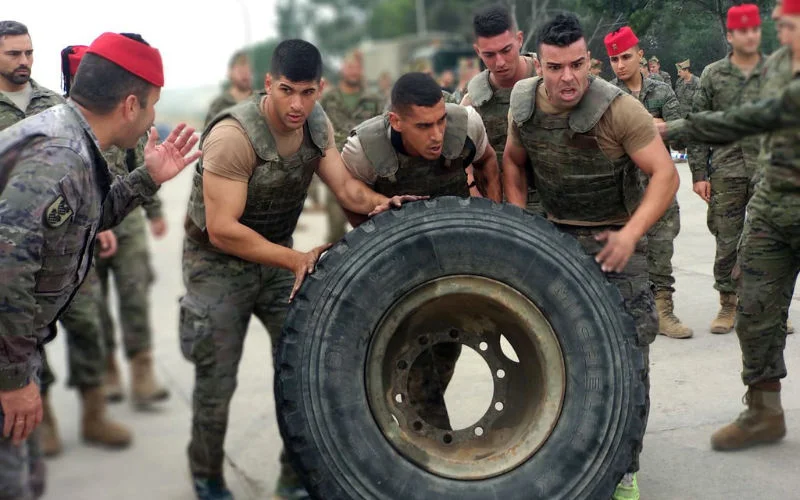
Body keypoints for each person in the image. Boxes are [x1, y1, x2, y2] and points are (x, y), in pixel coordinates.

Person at [179, 39, 421, 500]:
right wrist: (295, 259)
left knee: (301, 371)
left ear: (320, 89)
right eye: (287, 90)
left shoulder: (315, 124)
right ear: (269, 83)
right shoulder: (235, 135)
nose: (297, 104)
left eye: (308, 92)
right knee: (217, 378)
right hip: (217, 265)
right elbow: (222, 230)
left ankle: (293, 479)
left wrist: (382, 204)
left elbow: (347, 191)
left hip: (277, 259)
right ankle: (207, 476)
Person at [0, 31, 199, 500]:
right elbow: (6, 269)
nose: (154, 116)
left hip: (13, 350)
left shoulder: (68, 135)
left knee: (26, 477)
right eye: (152, 105)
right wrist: (11, 380)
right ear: (130, 105)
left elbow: (82, 221)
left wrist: (145, 179)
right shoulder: (60, 155)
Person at [502, 13, 678, 499]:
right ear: (540, 65)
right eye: (556, 67)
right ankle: (566, 452)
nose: (568, 78)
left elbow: (665, 176)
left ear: (589, 60)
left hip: (616, 241)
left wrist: (630, 234)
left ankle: (625, 468)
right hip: (556, 239)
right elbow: (513, 163)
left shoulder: (619, 110)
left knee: (626, 359)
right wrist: (520, 226)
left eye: (578, 64)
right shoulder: (523, 102)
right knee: (558, 353)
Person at [660, 0, 800, 453]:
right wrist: (677, 130)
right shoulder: (775, 68)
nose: (779, 36)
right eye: (778, 27)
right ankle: (763, 411)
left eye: (788, 27)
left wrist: (675, 127)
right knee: (755, 313)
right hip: (771, 208)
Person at [61, 45, 172, 406]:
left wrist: (154, 213)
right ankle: (107, 368)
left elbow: (141, 162)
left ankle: (142, 371)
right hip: (85, 223)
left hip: (127, 218)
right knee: (94, 303)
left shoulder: (126, 119)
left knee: (134, 291)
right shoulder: (69, 125)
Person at [607, 26, 692, 340]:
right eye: (614, 59)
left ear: (640, 54)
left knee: (661, 246)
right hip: (620, 187)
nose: (620, 64)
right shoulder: (605, 93)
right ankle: (628, 312)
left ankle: (663, 309)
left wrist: (661, 127)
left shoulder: (661, 91)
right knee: (624, 251)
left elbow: (681, 131)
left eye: (626, 56)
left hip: (657, 184)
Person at [689, 3, 767, 335]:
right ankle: (728, 303)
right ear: (730, 36)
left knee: (768, 240)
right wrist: (699, 175)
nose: (749, 36)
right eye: (742, 31)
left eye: (754, 30)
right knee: (727, 240)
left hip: (768, 171)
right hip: (727, 170)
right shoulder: (712, 75)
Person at [462, 3, 540, 210]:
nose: (500, 62)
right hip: (498, 205)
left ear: (520, 39)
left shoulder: (548, 77)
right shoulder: (473, 102)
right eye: (489, 55)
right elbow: (463, 163)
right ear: (477, 51)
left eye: (506, 50)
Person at [319, 50, 383, 243]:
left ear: (361, 70)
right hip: (336, 170)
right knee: (336, 228)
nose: (353, 72)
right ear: (342, 70)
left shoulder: (373, 99)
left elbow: (382, 128)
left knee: (372, 227)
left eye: (356, 68)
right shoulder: (328, 99)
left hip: (366, 170)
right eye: (349, 67)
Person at [204, 50, 253, 127]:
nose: (245, 74)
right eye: (240, 70)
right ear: (230, 72)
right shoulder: (219, 104)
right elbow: (208, 134)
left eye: (247, 70)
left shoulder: (259, 101)